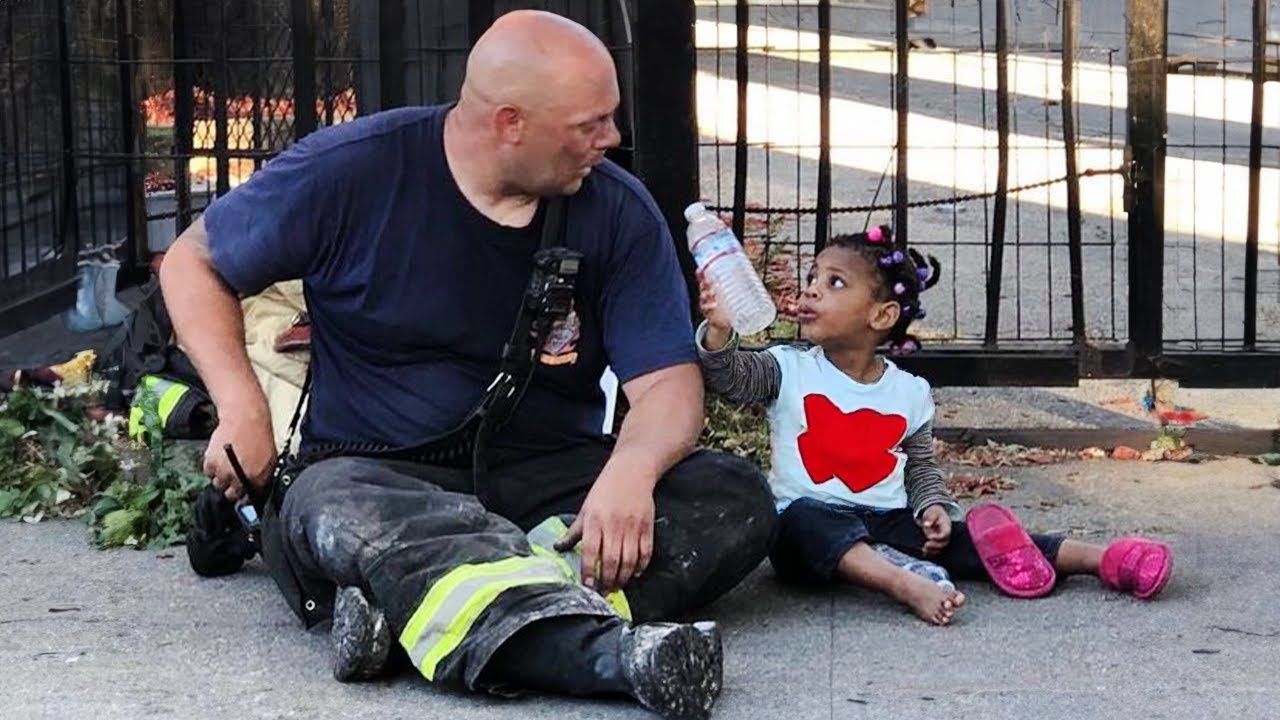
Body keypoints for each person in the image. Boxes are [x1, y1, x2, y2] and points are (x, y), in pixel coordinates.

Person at [159, 10, 776, 719]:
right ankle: (606, 657)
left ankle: (413, 617)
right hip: (379, 473)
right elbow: (193, 261)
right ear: (510, 122)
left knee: (733, 495)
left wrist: (631, 473)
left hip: (549, 478)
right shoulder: (352, 169)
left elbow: (667, 384)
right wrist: (242, 407)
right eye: (590, 124)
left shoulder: (616, 209)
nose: (612, 139)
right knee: (333, 509)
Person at [696, 225, 1173, 626]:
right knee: (801, 519)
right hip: (809, 532)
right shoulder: (787, 367)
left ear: (881, 315)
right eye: (812, 276)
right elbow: (729, 377)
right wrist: (719, 330)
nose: (812, 288)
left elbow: (919, 467)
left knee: (961, 538)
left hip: (888, 521)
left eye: (835, 282)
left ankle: (1099, 557)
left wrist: (932, 507)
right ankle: (904, 582)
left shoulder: (908, 393)